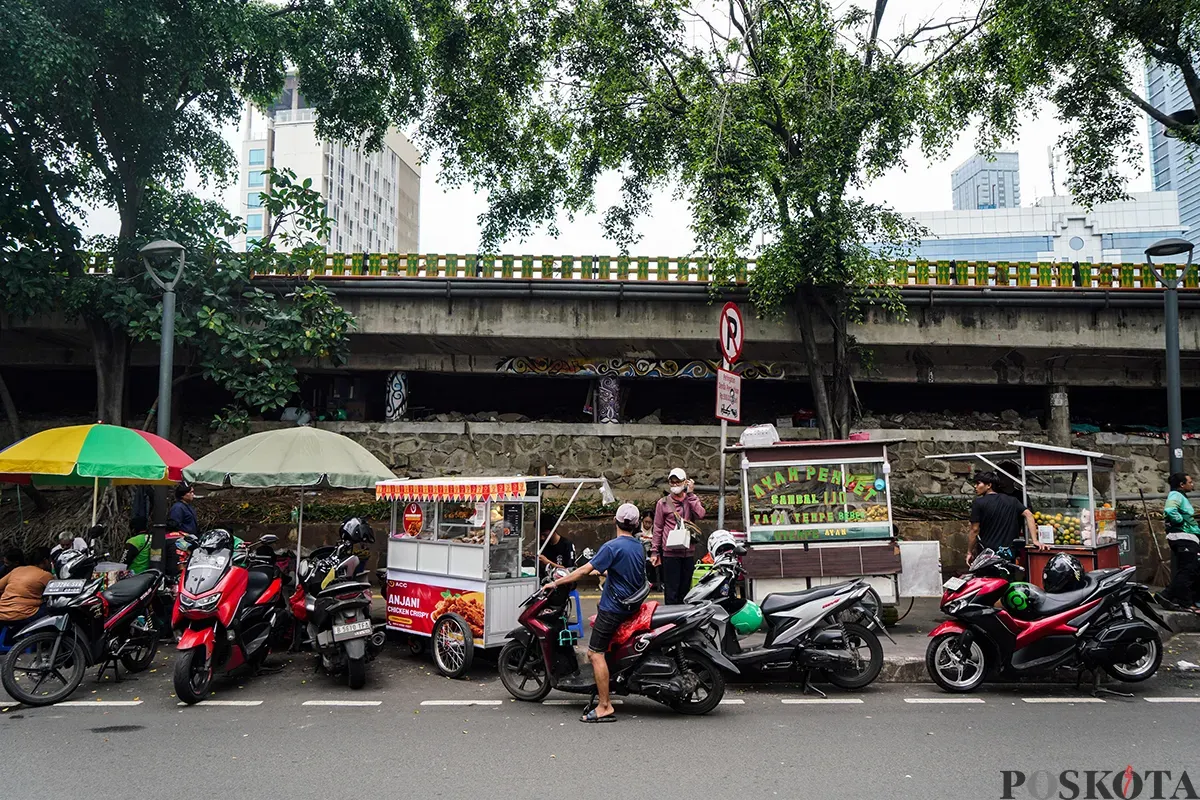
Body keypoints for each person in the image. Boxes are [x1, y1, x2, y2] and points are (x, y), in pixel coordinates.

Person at [546, 502, 646, 723]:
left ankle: (604, 705)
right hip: (631, 605)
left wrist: (557, 583)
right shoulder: (638, 546)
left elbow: (583, 571)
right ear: (637, 524)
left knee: (594, 653)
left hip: (613, 608)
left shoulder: (612, 547)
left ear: (615, 522)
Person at [651, 467, 705, 605]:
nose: (675, 485)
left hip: (688, 552)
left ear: (685, 482)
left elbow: (701, 514)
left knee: (685, 590)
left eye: (678, 482)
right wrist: (655, 551)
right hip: (670, 553)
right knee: (671, 590)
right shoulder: (662, 503)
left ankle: (684, 620)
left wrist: (691, 494)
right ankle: (672, 622)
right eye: (672, 482)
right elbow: (657, 528)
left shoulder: (691, 500)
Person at [967, 471, 1036, 557]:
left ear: (989, 485)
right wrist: (1035, 540)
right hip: (1009, 552)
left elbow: (975, 530)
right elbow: (1029, 514)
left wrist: (969, 551)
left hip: (988, 553)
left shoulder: (978, 502)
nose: (975, 486)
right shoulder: (1012, 500)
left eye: (978, 483)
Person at [1161, 472, 1200, 612]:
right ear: (1182, 484)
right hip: (1183, 536)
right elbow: (1170, 510)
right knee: (1188, 570)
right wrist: (1180, 521)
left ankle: (1166, 595)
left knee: (1190, 569)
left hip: (1188, 537)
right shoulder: (1176, 495)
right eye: (1190, 481)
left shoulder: (1181, 496)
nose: (1192, 484)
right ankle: (1184, 602)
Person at [0, 546, 53, 625]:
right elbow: (56, 593)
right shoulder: (45, 575)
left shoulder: (17, 570)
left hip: (2, 612)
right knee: (54, 610)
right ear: (45, 561)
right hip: (23, 615)